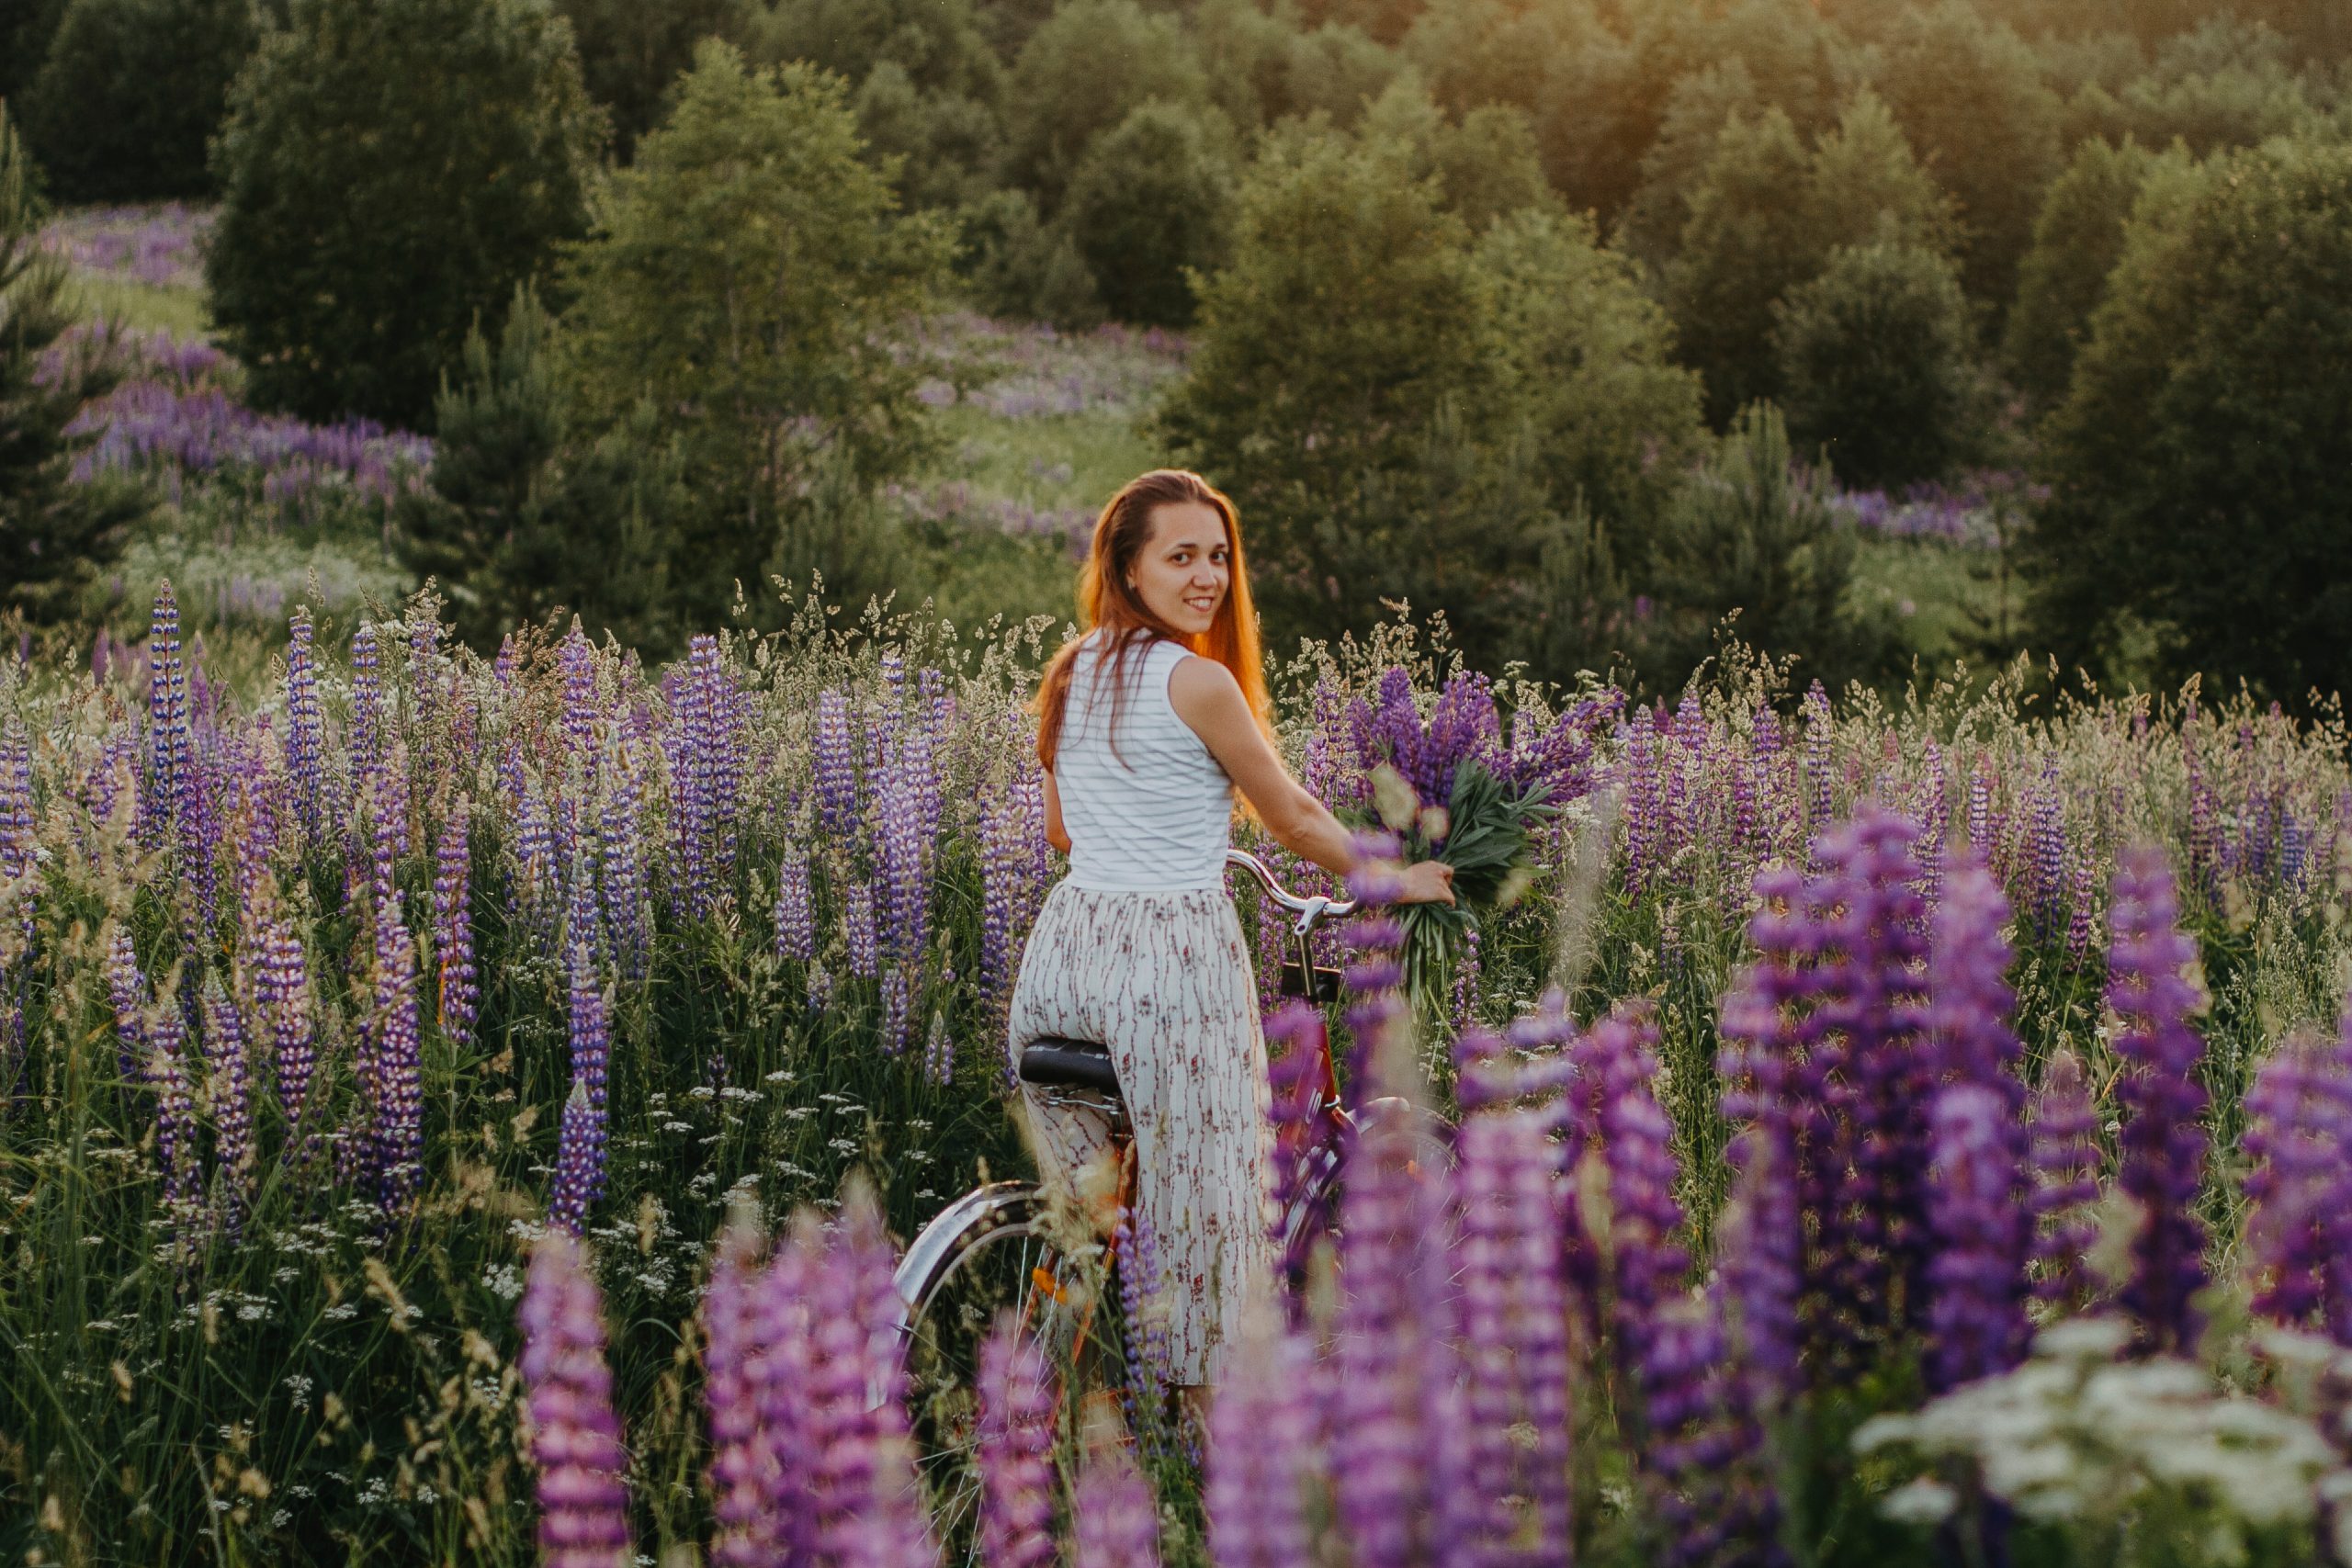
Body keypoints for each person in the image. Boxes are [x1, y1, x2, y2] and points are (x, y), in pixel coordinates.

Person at [1007, 468, 1453, 1399]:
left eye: (1217, 556)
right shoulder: (1197, 680)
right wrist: (1394, 877)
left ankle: (1051, 1418)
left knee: (1087, 1230)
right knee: (1209, 1237)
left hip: (1060, 964)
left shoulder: (1069, 669)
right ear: (1126, 569)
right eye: (1180, 557)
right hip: (1168, 974)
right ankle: (1215, 1476)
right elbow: (1289, 818)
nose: (1206, 575)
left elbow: (1061, 833)